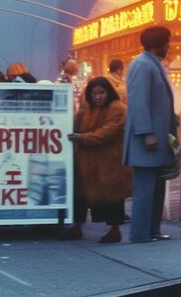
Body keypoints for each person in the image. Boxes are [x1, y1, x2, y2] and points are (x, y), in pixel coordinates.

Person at [123, 26, 178, 243]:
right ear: (160, 44)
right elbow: (138, 102)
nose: (169, 46)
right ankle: (140, 235)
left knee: (157, 186)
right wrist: (147, 133)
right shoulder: (142, 65)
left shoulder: (153, 65)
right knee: (146, 188)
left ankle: (153, 231)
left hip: (158, 138)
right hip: (146, 140)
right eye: (167, 42)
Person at [63, 77, 132, 242]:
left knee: (112, 196)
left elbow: (106, 133)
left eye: (101, 92)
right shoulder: (88, 109)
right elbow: (76, 125)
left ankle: (114, 231)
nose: (98, 97)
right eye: (94, 93)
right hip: (87, 161)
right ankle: (77, 227)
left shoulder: (117, 108)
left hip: (108, 162)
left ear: (109, 92)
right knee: (80, 194)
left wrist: (81, 138)